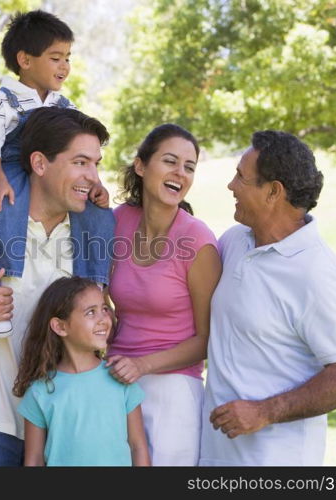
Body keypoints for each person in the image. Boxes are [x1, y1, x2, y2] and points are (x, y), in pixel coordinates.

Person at [0, 107, 113, 466]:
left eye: (96, 164)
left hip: (59, 423)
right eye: (80, 162)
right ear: (40, 163)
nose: (93, 178)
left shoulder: (93, 239)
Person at [199, 130, 336, 466]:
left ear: (274, 191)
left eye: (241, 178)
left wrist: (265, 411)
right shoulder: (234, 241)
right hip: (216, 458)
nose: (231, 186)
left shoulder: (317, 273)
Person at [0, 10, 114, 336]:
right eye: (55, 58)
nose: (65, 66)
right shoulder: (3, 99)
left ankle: (94, 286)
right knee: (6, 206)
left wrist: (96, 183)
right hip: (8, 167)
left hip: (50, 173)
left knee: (101, 215)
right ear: (25, 59)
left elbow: (84, 149)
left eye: (67, 58)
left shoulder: (65, 105)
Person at [106, 124, 222, 465]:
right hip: (114, 384)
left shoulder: (198, 240)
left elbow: (208, 338)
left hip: (173, 392)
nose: (180, 173)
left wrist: (142, 365)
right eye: (170, 161)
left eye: (189, 167)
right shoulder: (117, 222)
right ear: (141, 166)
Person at [14, 277, 150, 466]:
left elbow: (138, 447)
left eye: (104, 309)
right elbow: (34, 460)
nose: (104, 319)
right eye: (91, 312)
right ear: (60, 326)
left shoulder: (120, 377)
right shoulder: (39, 391)